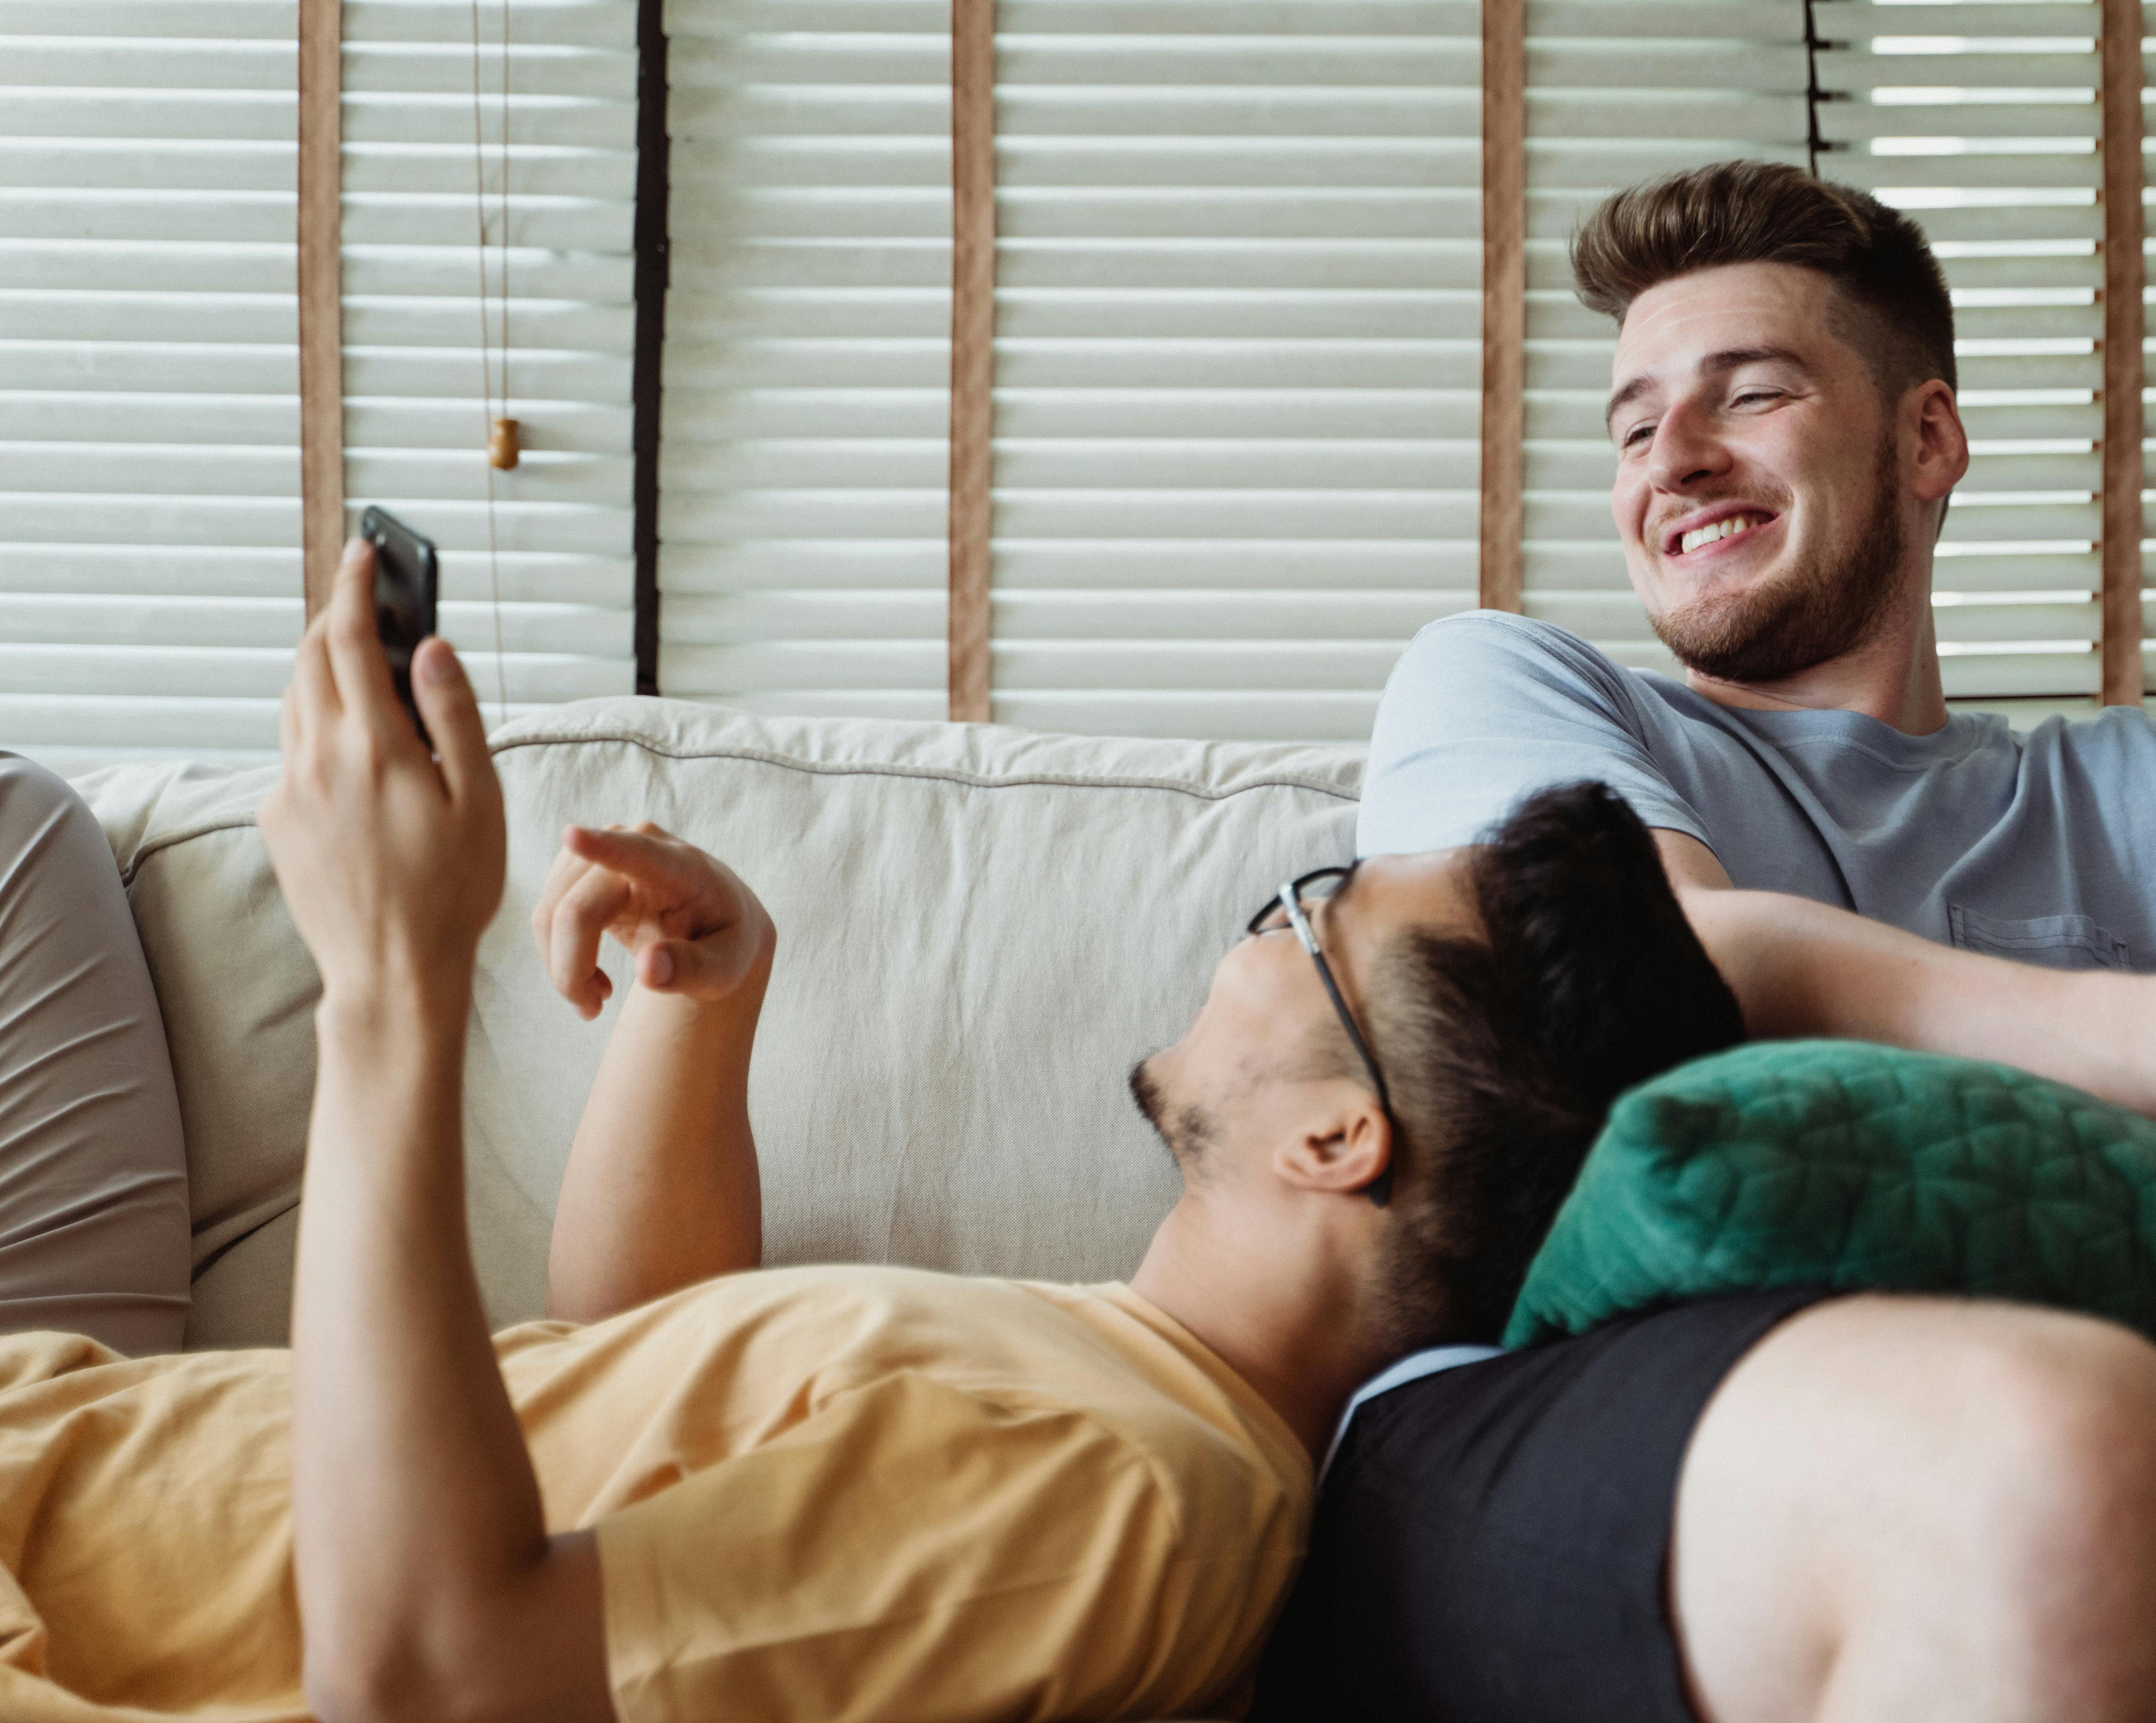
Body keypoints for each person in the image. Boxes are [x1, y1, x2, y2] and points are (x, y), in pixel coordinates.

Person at [1255, 161, 2156, 1723]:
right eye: (1632, 427)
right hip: (1571, 1408)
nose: (1671, 461)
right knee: (2061, 1439)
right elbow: (1664, 967)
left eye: (1745, 397)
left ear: (1927, 440)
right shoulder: (1511, 686)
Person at [0, 546, 1747, 1721]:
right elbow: (635, 1387)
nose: (1253, 927)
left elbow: (443, 1676)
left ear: (1337, 1140)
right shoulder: (1112, 1375)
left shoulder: (1120, 1494)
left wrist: (390, 986)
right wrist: (706, 1007)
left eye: (1316, 915)